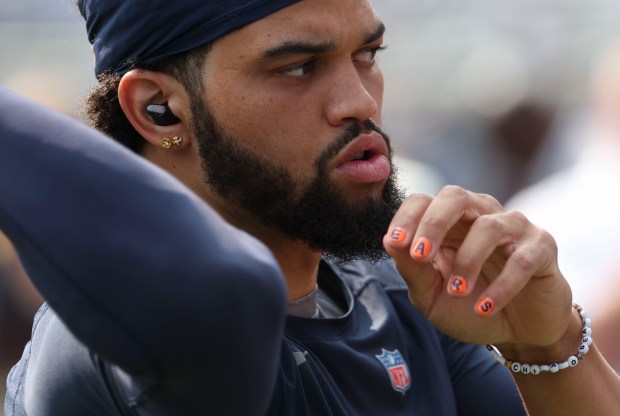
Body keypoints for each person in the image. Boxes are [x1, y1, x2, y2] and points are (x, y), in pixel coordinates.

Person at [1, 0, 619, 414]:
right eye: (297, 67)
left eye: (367, 55)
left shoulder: (405, 291)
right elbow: (216, 290)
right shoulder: (123, 346)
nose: (359, 101)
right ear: (157, 108)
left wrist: (547, 343)